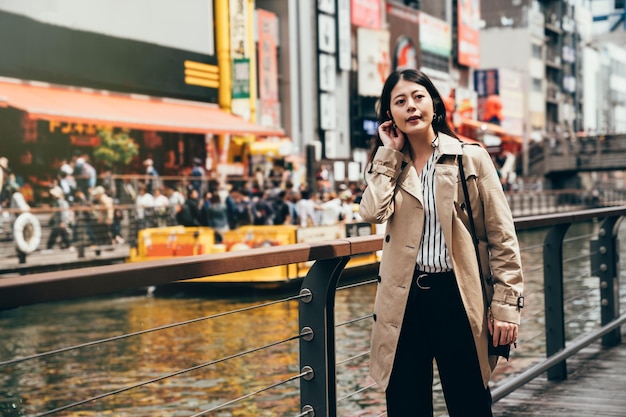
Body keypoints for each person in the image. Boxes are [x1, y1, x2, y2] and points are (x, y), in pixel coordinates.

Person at [358, 69, 524, 417]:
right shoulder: (391, 163)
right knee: (405, 405)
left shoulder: (469, 157)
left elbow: (501, 235)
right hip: (403, 301)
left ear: (434, 103)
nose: (411, 107)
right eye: (399, 102)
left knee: (469, 404)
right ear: (390, 116)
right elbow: (372, 213)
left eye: (418, 97)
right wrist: (388, 154)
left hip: (457, 298)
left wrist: (507, 305)